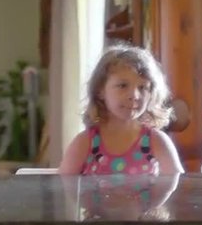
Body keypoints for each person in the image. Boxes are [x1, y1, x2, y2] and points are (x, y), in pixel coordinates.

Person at [59, 44, 184, 175]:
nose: (135, 96)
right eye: (123, 86)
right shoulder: (85, 142)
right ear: (100, 90)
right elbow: (63, 188)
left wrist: (159, 195)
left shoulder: (156, 141)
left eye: (142, 87)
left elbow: (177, 185)